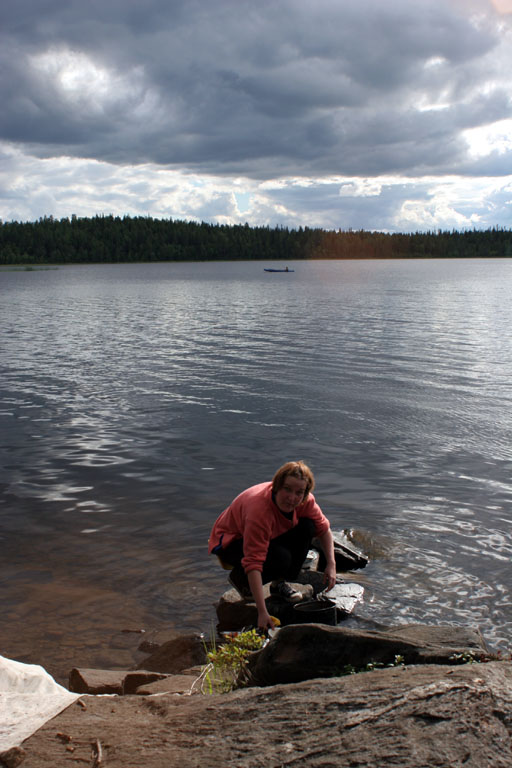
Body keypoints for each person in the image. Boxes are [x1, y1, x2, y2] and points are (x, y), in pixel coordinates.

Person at [208, 460, 337, 630]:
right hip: (230, 543)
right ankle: (241, 580)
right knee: (282, 558)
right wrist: (262, 612)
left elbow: (324, 529)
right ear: (276, 487)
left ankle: (278, 584)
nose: (292, 498)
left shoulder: (306, 502)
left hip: (269, 533)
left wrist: (331, 564)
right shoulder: (259, 510)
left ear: (305, 493)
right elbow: (254, 561)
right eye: (287, 489)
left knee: (308, 527)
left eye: (299, 492)